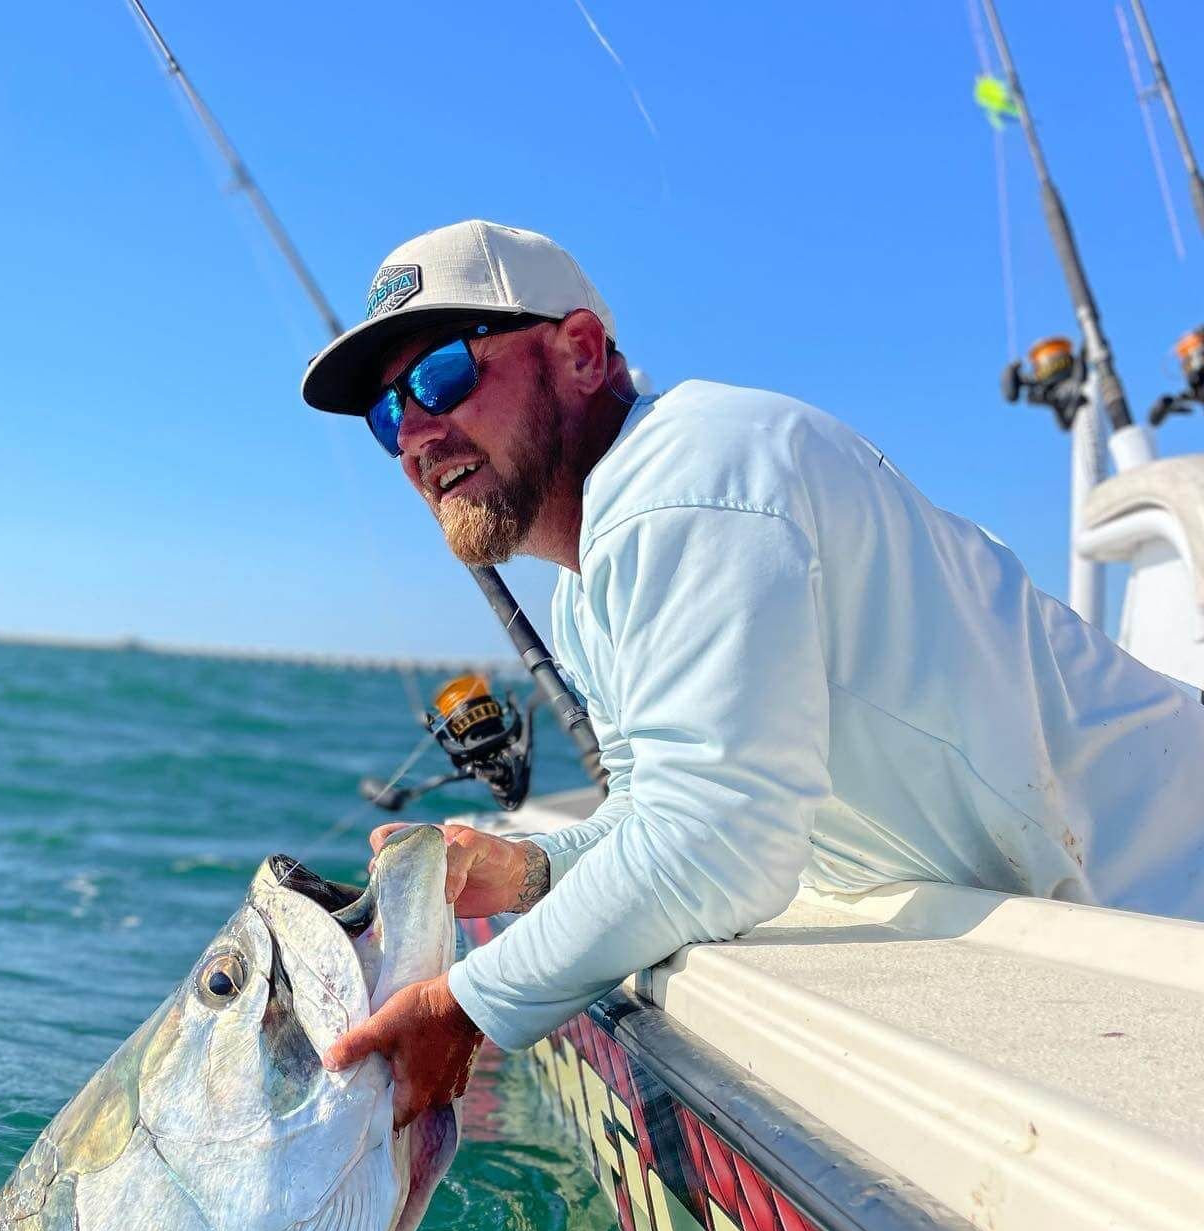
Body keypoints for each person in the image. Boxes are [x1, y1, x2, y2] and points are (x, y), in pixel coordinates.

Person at [299, 219, 1204, 1127]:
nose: (415, 430)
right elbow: (662, 808)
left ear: (578, 350)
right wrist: (533, 869)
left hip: (1167, 891)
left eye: (441, 375)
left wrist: (467, 1008)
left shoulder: (691, 475)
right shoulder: (588, 581)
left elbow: (723, 839)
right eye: (386, 415)